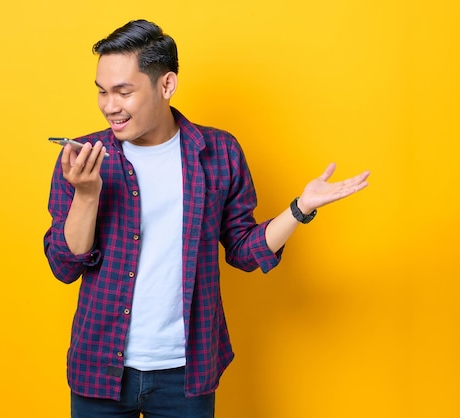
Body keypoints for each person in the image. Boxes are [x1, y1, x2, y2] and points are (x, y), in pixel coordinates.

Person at [44, 19, 370, 418]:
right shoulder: (86, 159)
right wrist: (86, 194)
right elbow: (64, 264)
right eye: (102, 92)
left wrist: (299, 208)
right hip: (100, 368)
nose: (110, 105)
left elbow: (244, 250)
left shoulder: (217, 152)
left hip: (186, 374)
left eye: (123, 92)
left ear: (166, 85)